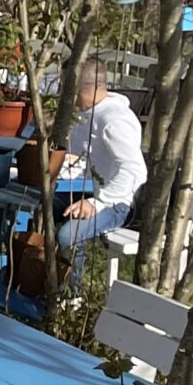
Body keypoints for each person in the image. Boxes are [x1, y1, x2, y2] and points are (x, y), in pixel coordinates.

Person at [57, 55, 146, 257]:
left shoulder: (115, 121)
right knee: (35, 202)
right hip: (85, 191)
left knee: (67, 236)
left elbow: (135, 171)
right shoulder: (85, 114)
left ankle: (68, 287)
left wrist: (97, 203)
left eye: (64, 86)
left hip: (116, 204)